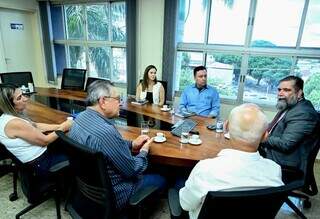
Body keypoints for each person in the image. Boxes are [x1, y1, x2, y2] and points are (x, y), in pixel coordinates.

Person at [69, 80, 166, 210]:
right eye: (117, 99)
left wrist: (132, 144)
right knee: (161, 179)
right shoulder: (106, 132)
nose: (120, 103)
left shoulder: (79, 118)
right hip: (117, 193)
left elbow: (108, 146)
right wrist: (144, 151)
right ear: (103, 101)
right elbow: (132, 170)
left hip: (88, 191)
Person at [179, 103, 284, 219]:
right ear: (265, 136)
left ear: (226, 127)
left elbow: (186, 204)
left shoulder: (205, 169)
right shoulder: (274, 170)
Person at [0, 83, 72, 176]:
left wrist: (59, 126)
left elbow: (35, 126)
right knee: (77, 156)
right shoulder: (14, 123)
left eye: (23, 95)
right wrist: (64, 127)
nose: (26, 99)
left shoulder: (5, 117)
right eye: (19, 98)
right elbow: (45, 141)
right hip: (42, 162)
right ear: (9, 104)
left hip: (34, 158)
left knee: (63, 145)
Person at [260, 76, 319, 172]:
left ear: (299, 93)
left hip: (284, 163)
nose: (280, 93)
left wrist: (261, 138)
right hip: (273, 152)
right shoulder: (290, 105)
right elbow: (274, 127)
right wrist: (254, 127)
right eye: (279, 90)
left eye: (286, 90)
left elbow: (285, 144)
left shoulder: (303, 113)